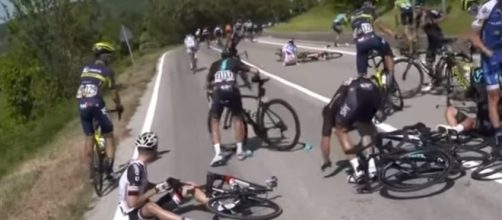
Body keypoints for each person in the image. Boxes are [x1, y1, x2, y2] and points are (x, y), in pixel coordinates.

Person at [118, 132, 210, 220]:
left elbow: (143, 186)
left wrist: (166, 184)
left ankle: (214, 205)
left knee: (187, 186)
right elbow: (132, 203)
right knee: (151, 207)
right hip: (132, 214)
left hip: (142, 209)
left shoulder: (139, 166)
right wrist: (156, 190)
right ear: (154, 150)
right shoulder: (135, 171)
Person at [320, 76, 382, 183]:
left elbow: (325, 142)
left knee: (340, 131)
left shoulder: (328, 113)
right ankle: (372, 168)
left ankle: (358, 172)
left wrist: (326, 160)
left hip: (356, 97)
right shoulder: (339, 97)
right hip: (374, 92)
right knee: (365, 125)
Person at [206, 49, 261, 166]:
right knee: (237, 118)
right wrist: (257, 74)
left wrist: (211, 94)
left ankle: (218, 154)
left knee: (214, 121)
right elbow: (253, 70)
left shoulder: (214, 65)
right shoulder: (234, 61)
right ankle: (240, 152)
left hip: (218, 92)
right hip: (232, 91)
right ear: (230, 56)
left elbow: (208, 83)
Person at [77, 42, 123, 180]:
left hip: (81, 104)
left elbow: (88, 84)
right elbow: (114, 94)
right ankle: (109, 171)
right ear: (104, 57)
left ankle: (91, 174)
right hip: (96, 104)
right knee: (108, 134)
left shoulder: (85, 69)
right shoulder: (107, 71)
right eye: (109, 56)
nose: (110, 59)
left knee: (89, 136)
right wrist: (119, 105)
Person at [468, 0, 502, 148]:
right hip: (490, 58)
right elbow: (473, 35)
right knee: (494, 96)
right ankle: (498, 133)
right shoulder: (489, 7)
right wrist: (485, 50)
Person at [437, 67, 502, 136]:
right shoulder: (478, 90)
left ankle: (456, 129)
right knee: (450, 110)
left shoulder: (495, 95)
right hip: (479, 119)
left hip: (491, 125)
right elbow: (466, 97)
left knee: (471, 120)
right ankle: (454, 132)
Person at [351, 0, 396, 78]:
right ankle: (390, 77)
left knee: (362, 75)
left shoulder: (353, 14)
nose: (375, 6)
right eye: (374, 4)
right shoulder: (371, 10)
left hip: (360, 44)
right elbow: (382, 28)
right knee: (387, 51)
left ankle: (363, 81)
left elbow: (355, 34)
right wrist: (395, 35)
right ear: (371, 3)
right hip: (372, 39)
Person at [415, 2, 447, 91]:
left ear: (422, 7)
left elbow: (444, 17)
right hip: (431, 41)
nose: (416, 10)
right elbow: (415, 31)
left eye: (417, 8)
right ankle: (435, 80)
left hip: (438, 38)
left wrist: (433, 21)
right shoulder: (418, 18)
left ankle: (436, 81)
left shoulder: (431, 12)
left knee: (438, 62)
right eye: (415, 9)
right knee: (429, 62)